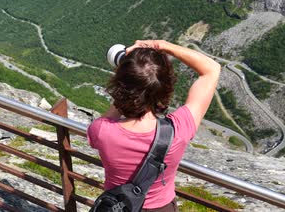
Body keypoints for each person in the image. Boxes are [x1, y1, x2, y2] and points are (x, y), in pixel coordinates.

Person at [87, 40, 221, 212]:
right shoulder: (178, 129)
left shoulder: (101, 131)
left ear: (121, 85)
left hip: (119, 208)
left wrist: (129, 82)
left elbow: (108, 118)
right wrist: (162, 45)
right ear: (165, 89)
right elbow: (212, 69)